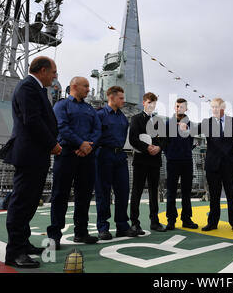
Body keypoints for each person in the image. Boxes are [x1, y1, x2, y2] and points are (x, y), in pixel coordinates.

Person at [4, 56, 61, 268]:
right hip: (30, 153)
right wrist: (52, 144)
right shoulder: (28, 87)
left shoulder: (35, 88)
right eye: (54, 71)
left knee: (29, 202)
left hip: (35, 153)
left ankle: (23, 243)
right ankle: (14, 252)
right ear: (43, 70)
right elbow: (33, 120)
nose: (55, 76)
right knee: (21, 203)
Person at [47, 76, 101, 249]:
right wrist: (81, 144)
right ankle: (54, 235)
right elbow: (62, 127)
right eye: (85, 86)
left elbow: (98, 129)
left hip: (87, 156)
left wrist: (88, 146)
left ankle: (81, 232)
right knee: (59, 195)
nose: (88, 89)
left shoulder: (90, 109)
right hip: (66, 154)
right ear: (74, 86)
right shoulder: (61, 105)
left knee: (84, 195)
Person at [95, 86, 138, 239]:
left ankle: (122, 226)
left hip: (120, 155)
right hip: (103, 154)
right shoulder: (100, 115)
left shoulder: (122, 117)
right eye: (120, 98)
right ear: (111, 98)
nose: (123, 100)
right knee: (103, 192)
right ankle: (103, 227)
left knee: (123, 191)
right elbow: (95, 135)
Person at [201, 98, 233, 233]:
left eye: (216, 107)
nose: (214, 109)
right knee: (214, 196)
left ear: (223, 107)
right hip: (212, 166)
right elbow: (191, 129)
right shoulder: (206, 123)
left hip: (229, 165)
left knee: (232, 195)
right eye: (212, 107)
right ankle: (212, 223)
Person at [129, 92, 166, 234]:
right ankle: (135, 223)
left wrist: (159, 147)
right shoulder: (136, 119)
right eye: (150, 102)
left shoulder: (158, 121)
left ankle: (154, 221)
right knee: (137, 191)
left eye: (154, 103)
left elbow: (164, 139)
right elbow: (133, 138)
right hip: (140, 160)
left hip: (155, 160)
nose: (152, 105)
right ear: (144, 102)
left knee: (153, 191)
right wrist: (147, 148)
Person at [164, 98, 199, 230]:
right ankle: (171, 220)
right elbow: (164, 143)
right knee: (171, 192)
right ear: (175, 107)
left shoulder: (191, 125)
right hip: (172, 161)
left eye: (182, 106)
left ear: (186, 109)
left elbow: (190, 142)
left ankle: (186, 219)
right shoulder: (167, 124)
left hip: (186, 161)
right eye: (177, 106)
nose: (179, 108)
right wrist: (170, 155)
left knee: (186, 192)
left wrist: (185, 152)